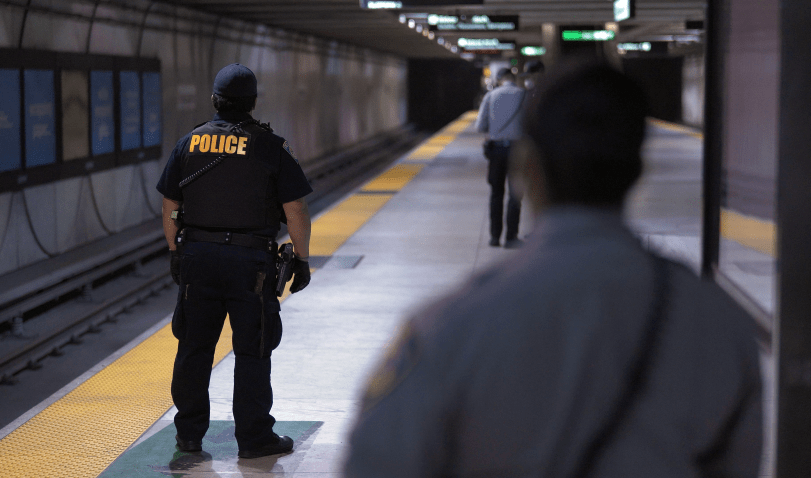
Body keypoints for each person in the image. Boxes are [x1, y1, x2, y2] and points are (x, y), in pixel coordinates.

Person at [343, 62, 762, 477]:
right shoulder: (721, 325)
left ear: (529, 169)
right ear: (638, 170)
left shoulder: (448, 327)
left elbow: (375, 462)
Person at [156, 63, 313, 459]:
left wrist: (175, 249)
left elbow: (171, 202)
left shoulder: (189, 143)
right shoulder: (270, 146)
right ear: (253, 102)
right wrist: (303, 260)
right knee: (253, 349)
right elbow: (294, 209)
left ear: (215, 100)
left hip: (198, 260)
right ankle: (255, 438)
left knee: (193, 348)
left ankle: (189, 435)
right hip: (251, 266)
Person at [475, 68, 530, 248]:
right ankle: (511, 237)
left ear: (499, 80)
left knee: (496, 194)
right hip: (517, 152)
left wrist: (495, 127)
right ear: (513, 79)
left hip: (496, 152)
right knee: (515, 195)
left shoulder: (490, 97)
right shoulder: (524, 95)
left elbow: (480, 126)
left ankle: (494, 237)